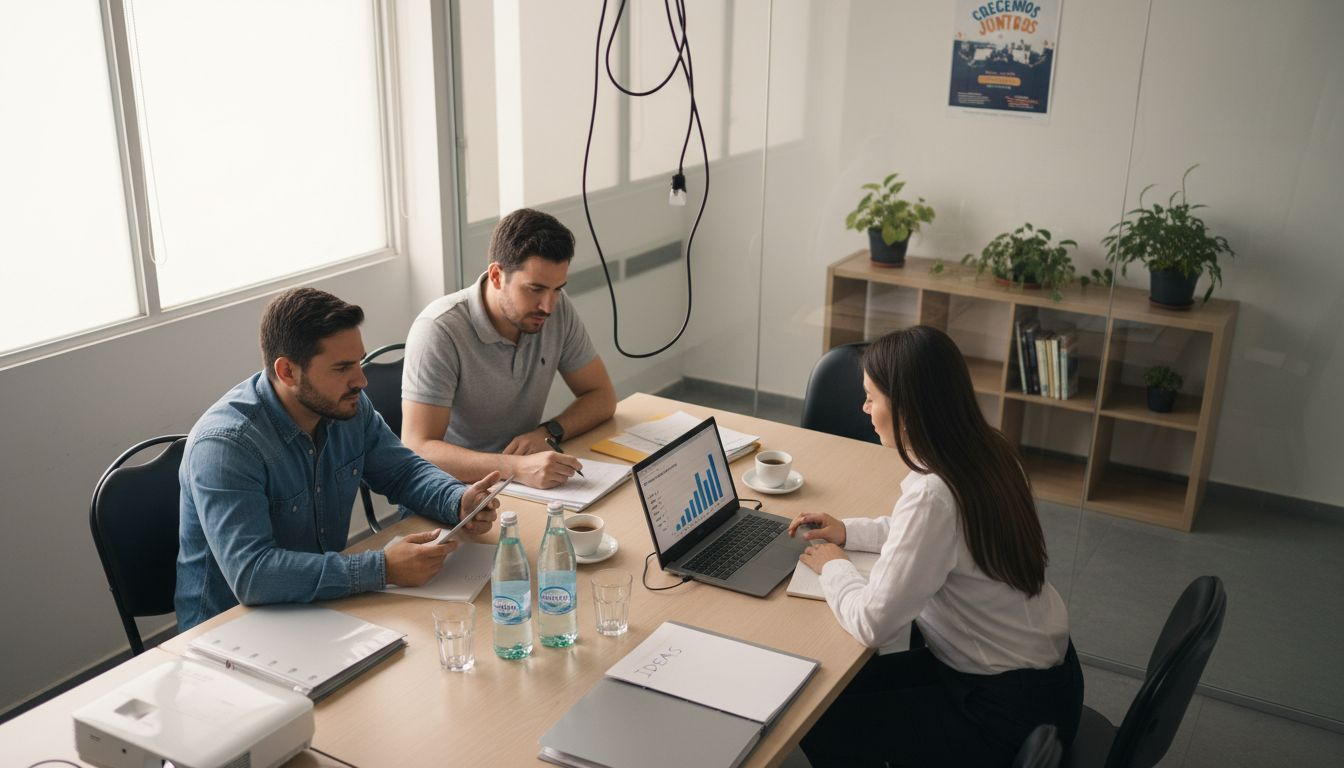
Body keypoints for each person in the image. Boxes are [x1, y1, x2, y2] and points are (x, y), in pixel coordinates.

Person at [789, 326, 1082, 767]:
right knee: (830, 697)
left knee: (818, 720)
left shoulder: (934, 494)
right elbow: (936, 539)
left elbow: (872, 623)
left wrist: (834, 565)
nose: (864, 408)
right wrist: (848, 531)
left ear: (907, 409)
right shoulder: (988, 451)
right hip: (1046, 683)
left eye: (871, 397)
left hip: (1003, 713)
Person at [175, 288, 501, 630]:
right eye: (342, 367)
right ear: (287, 372)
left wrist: (457, 500)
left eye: (359, 361)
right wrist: (383, 568)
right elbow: (253, 575)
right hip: (230, 631)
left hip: (319, 604)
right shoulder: (226, 446)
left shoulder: (346, 406)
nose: (361, 380)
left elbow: (402, 472)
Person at [401, 208, 616, 489]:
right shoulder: (439, 329)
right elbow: (418, 448)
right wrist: (514, 467)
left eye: (557, 289)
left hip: (520, 481)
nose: (548, 306)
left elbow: (602, 396)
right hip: (452, 488)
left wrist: (549, 432)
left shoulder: (556, 308)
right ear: (496, 276)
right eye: (535, 289)